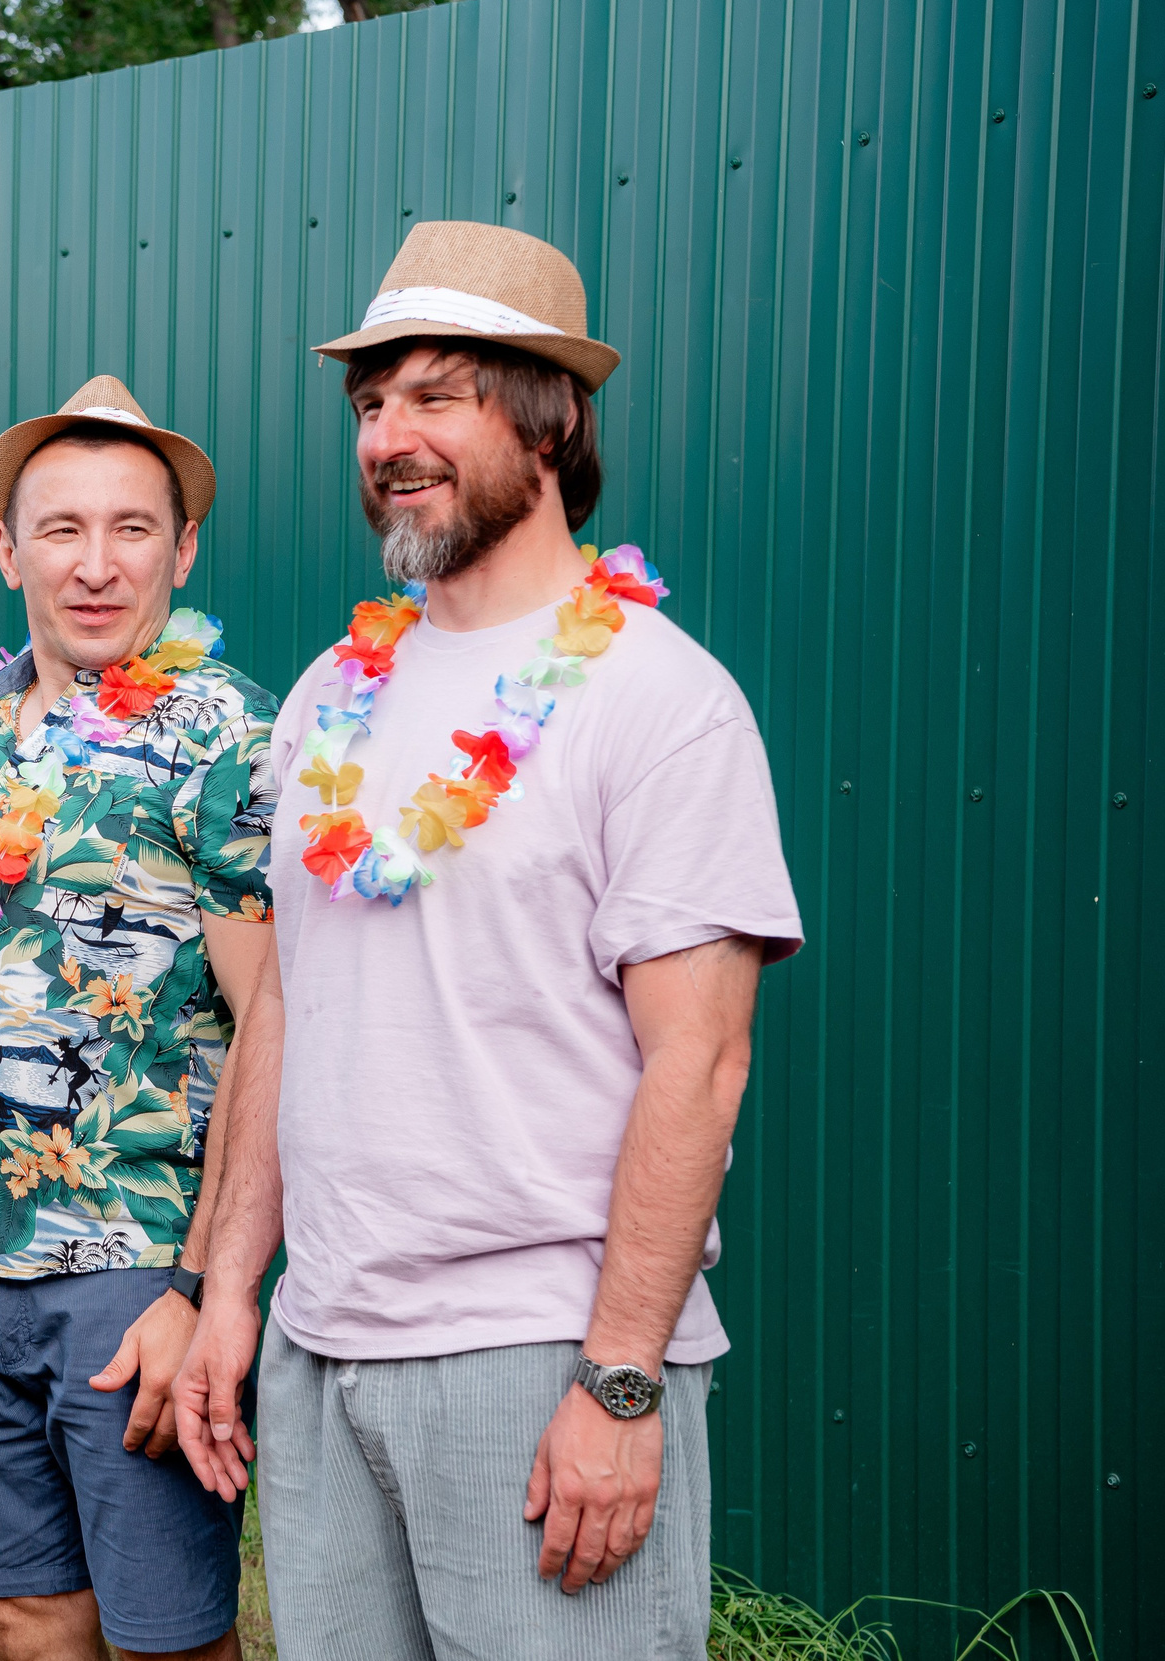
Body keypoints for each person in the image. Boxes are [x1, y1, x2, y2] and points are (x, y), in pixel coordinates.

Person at [172, 222, 804, 1658]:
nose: (390, 435)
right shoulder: (334, 691)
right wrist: (230, 1292)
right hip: (322, 1344)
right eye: (371, 403)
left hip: (538, 1356)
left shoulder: (660, 700)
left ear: (552, 416)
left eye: (438, 395)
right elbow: (287, 1011)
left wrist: (622, 1380)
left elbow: (698, 1068)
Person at [0, 378, 278, 1661]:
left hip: (135, 1269)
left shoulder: (226, 735)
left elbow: (276, 1023)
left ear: (183, 546)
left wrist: (203, 1289)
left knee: (166, 1633)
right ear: (6, 546)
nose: (95, 566)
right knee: (20, 1611)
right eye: (61, 529)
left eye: (132, 528)